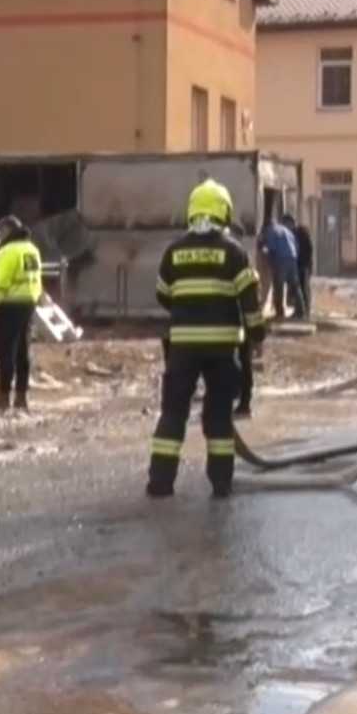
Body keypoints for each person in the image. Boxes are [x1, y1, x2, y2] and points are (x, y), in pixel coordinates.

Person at [148, 178, 267, 500]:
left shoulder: (174, 251)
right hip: (221, 348)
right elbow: (249, 302)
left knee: (173, 413)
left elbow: (162, 294)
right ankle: (221, 484)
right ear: (223, 212)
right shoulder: (234, 252)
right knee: (218, 417)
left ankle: (160, 483)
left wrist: (188, 309)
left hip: (182, 347)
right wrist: (257, 334)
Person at [0, 217, 43, 413]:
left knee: (6, 351)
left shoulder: (7, 252)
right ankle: (21, 396)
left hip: (8, 306)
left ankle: (2, 395)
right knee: (23, 351)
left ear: (8, 231)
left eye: (1, 231)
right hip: (28, 304)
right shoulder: (31, 250)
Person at [260, 218, 303, 319]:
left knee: (278, 285)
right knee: (295, 285)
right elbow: (296, 245)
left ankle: (279, 311)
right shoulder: (287, 231)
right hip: (292, 258)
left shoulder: (271, 231)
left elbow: (271, 248)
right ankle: (301, 310)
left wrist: (264, 252)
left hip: (281, 259)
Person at [284, 214, 314, 318]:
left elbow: (306, 249)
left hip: (303, 265)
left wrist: (304, 263)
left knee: (302, 288)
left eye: (286, 224)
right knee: (300, 288)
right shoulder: (295, 232)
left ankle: (303, 312)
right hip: (302, 264)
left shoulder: (300, 232)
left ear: (290, 223)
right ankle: (300, 311)